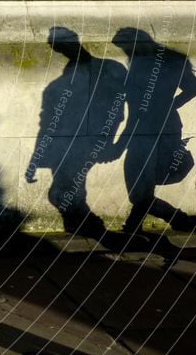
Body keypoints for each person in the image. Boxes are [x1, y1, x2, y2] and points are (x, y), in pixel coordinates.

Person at [26, 27, 127, 238]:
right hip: (66, 144)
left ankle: (95, 230)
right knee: (66, 191)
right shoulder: (61, 84)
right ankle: (86, 228)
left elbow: (122, 112)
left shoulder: (110, 70)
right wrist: (35, 159)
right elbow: (47, 124)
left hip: (85, 143)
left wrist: (113, 143)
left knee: (62, 192)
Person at [112, 28, 196, 234]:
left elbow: (136, 112)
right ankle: (138, 226)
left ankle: (178, 220)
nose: (126, 51)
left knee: (139, 190)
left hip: (148, 131)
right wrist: (170, 106)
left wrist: (121, 143)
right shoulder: (171, 60)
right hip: (165, 127)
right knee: (143, 186)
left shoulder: (141, 65)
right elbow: (194, 88)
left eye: (125, 46)